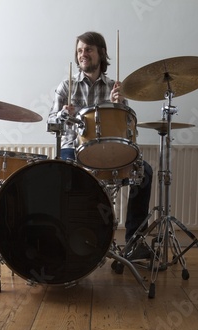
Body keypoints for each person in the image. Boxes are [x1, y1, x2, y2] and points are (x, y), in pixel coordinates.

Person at [47, 31, 152, 259]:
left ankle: (134, 243)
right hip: (73, 150)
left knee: (145, 173)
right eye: (79, 51)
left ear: (101, 53)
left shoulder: (116, 88)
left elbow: (127, 127)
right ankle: (66, 243)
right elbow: (50, 122)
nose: (83, 54)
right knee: (60, 177)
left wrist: (120, 104)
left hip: (109, 152)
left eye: (88, 49)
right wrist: (63, 115)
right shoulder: (66, 86)